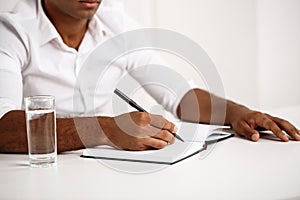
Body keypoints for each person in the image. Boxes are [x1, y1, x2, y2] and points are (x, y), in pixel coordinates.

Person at [0, 0, 299, 153]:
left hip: (98, 170)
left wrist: (239, 113)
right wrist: (104, 129)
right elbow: (1, 126)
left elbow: (178, 94)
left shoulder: (114, 21)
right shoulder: (12, 30)